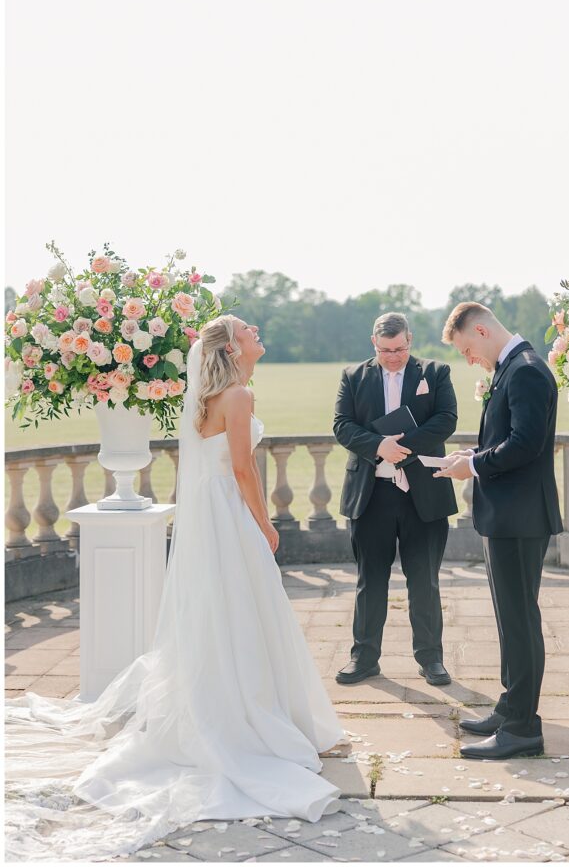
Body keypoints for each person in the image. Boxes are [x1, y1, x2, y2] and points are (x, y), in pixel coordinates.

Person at [5, 315, 346, 861]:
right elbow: (242, 470)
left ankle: (248, 706)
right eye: (248, 329)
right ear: (233, 348)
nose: (258, 331)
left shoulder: (208, 398)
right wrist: (265, 523)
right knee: (245, 608)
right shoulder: (238, 395)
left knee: (225, 610)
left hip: (208, 516)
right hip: (229, 514)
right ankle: (254, 716)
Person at [435, 302, 563, 759]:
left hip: (521, 517)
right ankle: (510, 708)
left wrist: (472, 465)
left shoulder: (525, 369)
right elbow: (507, 439)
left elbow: (525, 446)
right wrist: (472, 452)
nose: (469, 360)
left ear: (483, 331)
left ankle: (524, 728)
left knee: (521, 622)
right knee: (510, 621)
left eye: (468, 349)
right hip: (508, 515)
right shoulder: (513, 366)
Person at [333, 312, 458, 687]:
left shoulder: (435, 373)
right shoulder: (353, 377)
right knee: (370, 581)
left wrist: (398, 448)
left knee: (425, 581)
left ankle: (431, 659)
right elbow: (342, 424)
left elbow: (446, 419)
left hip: (424, 493)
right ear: (374, 343)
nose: (393, 356)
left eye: (400, 349)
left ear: (410, 341)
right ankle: (364, 658)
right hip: (371, 496)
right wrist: (378, 447)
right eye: (386, 350)